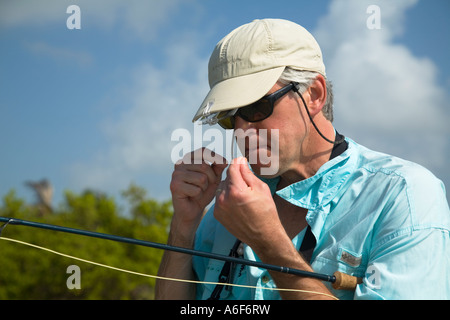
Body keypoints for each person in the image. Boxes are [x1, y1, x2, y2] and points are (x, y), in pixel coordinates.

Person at [155, 18, 450, 300]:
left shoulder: (405, 195)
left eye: (256, 107)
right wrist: (184, 226)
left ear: (314, 94)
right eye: (229, 117)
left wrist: (269, 243)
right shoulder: (225, 210)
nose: (243, 129)